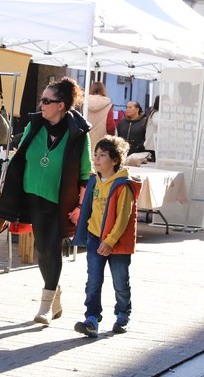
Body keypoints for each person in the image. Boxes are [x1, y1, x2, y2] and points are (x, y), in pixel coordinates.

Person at [0, 76, 92, 325]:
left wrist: (81, 206)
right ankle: (54, 292)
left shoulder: (79, 132)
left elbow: (85, 172)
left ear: (61, 105)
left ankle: (45, 306)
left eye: (47, 101)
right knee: (42, 249)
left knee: (52, 248)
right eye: (42, 99)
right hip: (32, 194)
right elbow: (22, 154)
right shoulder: (35, 124)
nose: (41, 104)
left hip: (61, 200)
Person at [71, 136, 140, 338]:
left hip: (115, 242)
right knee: (93, 280)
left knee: (120, 280)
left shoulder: (122, 185)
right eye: (96, 155)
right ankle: (91, 318)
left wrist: (109, 242)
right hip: (95, 237)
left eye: (102, 155)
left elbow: (123, 219)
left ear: (115, 160)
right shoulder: (94, 181)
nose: (97, 159)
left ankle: (122, 314)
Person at [86, 81, 116, 152]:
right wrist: (111, 137)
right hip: (103, 140)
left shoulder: (84, 103)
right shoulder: (108, 104)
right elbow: (111, 126)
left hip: (86, 138)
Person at [143, 96, 159, 161]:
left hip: (152, 144)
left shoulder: (153, 112)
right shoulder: (156, 113)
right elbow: (157, 123)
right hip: (153, 145)